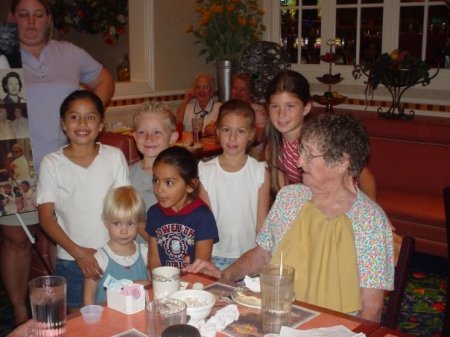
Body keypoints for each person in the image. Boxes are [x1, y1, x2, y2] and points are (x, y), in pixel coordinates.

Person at [185, 113, 394, 322]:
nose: (299, 162)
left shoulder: (369, 221)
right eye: (300, 150)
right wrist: (224, 276)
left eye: (309, 155)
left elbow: (371, 310)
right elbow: (262, 255)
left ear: (341, 162)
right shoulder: (290, 198)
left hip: (336, 328)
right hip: (277, 316)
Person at [1, 0, 115, 324]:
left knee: (58, 232)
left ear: (49, 19)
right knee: (16, 239)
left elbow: (104, 80)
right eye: (23, 14)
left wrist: (88, 118)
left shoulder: (70, 53)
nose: (31, 22)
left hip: (67, 160)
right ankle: (22, 312)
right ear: (12, 18)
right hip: (16, 162)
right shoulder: (3, 54)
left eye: (39, 14)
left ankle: (58, 305)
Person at [37, 90, 129, 309]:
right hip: (72, 260)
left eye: (90, 117)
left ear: (101, 124)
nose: (82, 123)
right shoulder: (51, 163)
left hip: (114, 255)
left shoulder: (114, 156)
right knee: (80, 322)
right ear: (63, 123)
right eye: (74, 116)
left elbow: (126, 208)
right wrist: (79, 254)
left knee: (118, 317)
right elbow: (46, 218)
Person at [263, 70, 377, 200]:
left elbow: (365, 177)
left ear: (306, 108)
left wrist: (365, 212)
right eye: (275, 106)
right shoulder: (272, 149)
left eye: (290, 106)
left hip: (344, 203)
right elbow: (285, 197)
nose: (281, 114)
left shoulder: (321, 141)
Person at [198, 99, 270, 270]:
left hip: (249, 256)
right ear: (217, 131)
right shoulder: (206, 171)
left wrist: (264, 259)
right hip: (215, 255)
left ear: (251, 134)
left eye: (241, 131)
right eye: (226, 130)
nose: (232, 137)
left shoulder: (259, 172)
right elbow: (204, 223)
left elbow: (262, 223)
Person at [146, 146, 219, 271]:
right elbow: (154, 261)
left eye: (169, 182)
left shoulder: (202, 217)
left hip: (193, 286)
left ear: (190, 185)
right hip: (164, 285)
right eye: (156, 180)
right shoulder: (154, 213)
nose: (159, 189)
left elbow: (201, 267)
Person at [84, 186, 148, 305]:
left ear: (139, 223)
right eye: (117, 223)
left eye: (130, 223)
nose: (124, 231)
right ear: (106, 222)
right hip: (108, 322)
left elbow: (154, 286)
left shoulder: (145, 253)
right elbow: (89, 299)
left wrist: (146, 284)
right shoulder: (99, 259)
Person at [130, 102, 179, 242]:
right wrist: (158, 245)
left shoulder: (182, 176)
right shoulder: (127, 177)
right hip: (139, 252)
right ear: (134, 136)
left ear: (173, 137)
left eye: (157, 132)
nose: (149, 138)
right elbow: (130, 217)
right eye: (142, 132)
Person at [230, 73, 268, 145]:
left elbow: (259, 137)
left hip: (253, 152)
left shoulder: (258, 110)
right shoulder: (229, 109)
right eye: (235, 88)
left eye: (242, 90)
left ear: (251, 93)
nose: (238, 92)